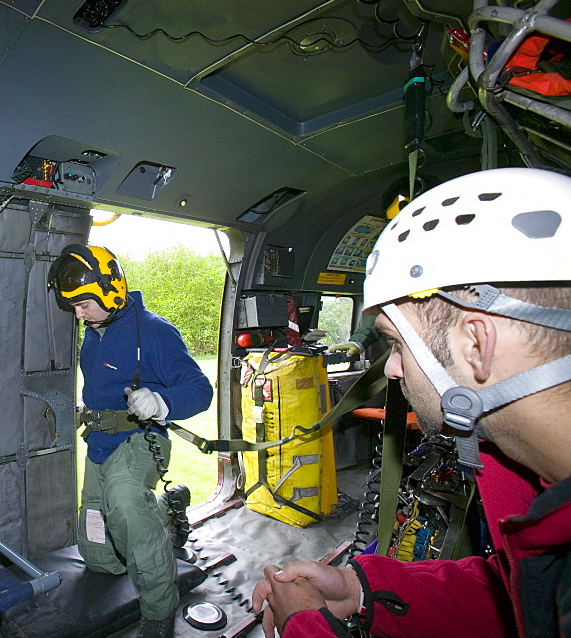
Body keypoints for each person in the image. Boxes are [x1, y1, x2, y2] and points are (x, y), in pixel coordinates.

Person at [251, 167, 571, 637]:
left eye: (397, 345)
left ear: (476, 344)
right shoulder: (539, 498)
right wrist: (362, 590)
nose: (394, 370)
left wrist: (305, 626)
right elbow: (520, 597)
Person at [48, 244, 213, 638]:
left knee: (124, 507)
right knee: (100, 556)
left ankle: (160, 608)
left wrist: (161, 400)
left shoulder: (154, 331)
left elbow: (200, 389)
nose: (78, 314)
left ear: (111, 290)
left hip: (141, 438)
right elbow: (104, 385)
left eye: (84, 304)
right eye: (72, 306)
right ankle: (166, 508)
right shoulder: (96, 332)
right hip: (101, 444)